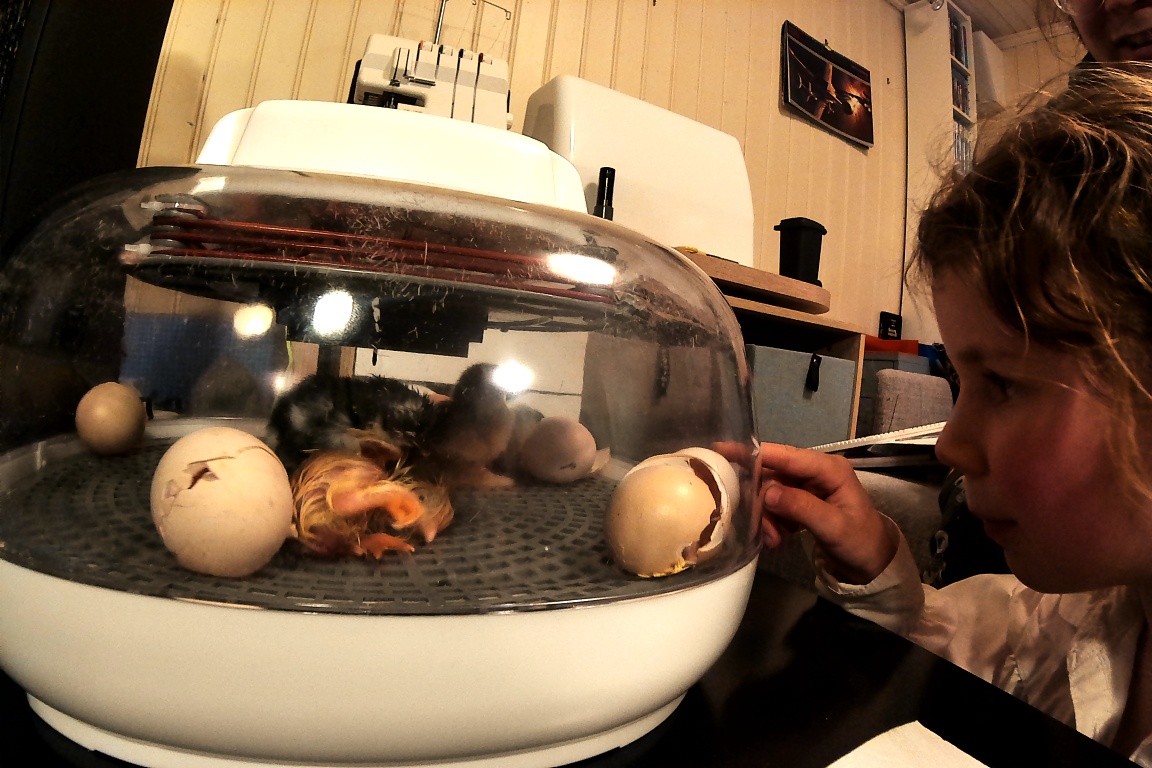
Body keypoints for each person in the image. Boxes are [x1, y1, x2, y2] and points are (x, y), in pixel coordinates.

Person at [756, 66, 1152, 765]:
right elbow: (974, 648)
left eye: (1002, 383)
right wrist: (877, 571)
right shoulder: (1082, 613)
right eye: (960, 381)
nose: (950, 446)